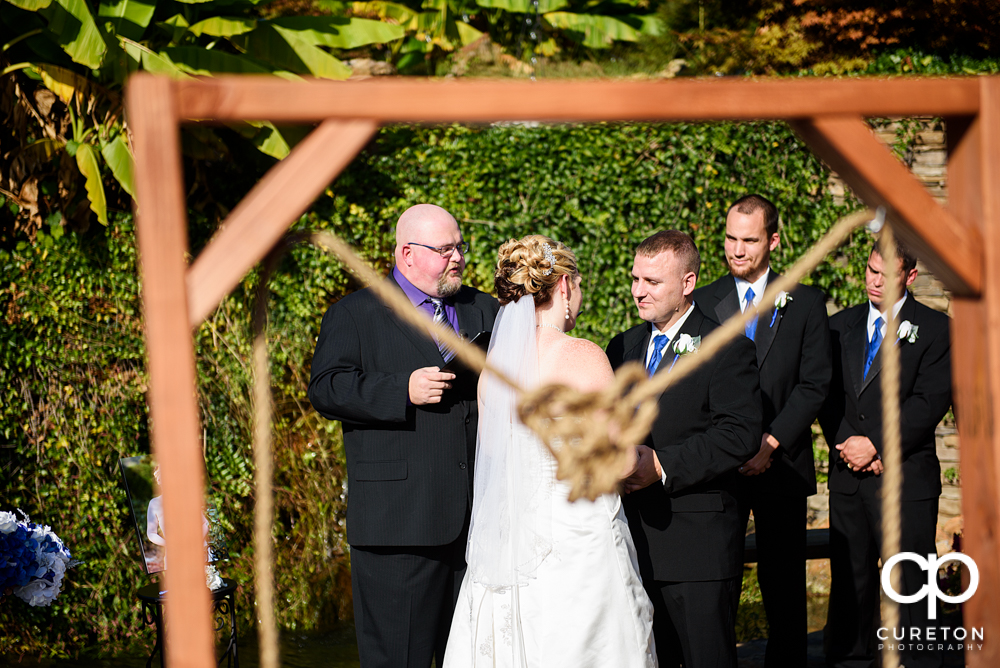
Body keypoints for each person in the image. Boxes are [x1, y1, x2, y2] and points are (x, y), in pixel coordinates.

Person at [443, 235, 656, 668]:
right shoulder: (583, 355)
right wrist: (646, 457)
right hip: (577, 533)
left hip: (508, 538)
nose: (578, 297)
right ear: (563, 287)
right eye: (577, 287)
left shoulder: (492, 374)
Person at [308, 204, 499, 668]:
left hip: (476, 523)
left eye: (460, 247)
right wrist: (401, 389)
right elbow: (326, 388)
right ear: (407, 254)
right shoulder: (355, 313)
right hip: (398, 527)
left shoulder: (484, 309)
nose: (457, 258)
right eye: (445, 249)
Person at [607, 230, 762, 668]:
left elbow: (739, 433)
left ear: (688, 283)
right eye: (635, 279)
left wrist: (661, 464)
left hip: (697, 546)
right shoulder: (622, 347)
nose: (638, 291)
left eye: (652, 282)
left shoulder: (727, 346)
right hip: (631, 542)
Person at [692, 194, 832, 667]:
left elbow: (814, 384)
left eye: (748, 240)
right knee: (719, 582)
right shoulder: (703, 302)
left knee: (784, 586)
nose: (736, 249)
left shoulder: (808, 303)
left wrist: (770, 443)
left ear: (773, 240)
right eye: (730, 238)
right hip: (720, 467)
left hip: (783, 463)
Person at [820, 238, 951, 668]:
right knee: (850, 581)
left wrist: (874, 443)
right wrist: (848, 446)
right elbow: (826, 398)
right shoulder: (839, 327)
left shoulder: (935, 329)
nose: (873, 281)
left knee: (910, 580)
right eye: (870, 269)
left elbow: (928, 402)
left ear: (910, 276)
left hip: (905, 478)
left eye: (885, 273)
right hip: (848, 478)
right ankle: (850, 660)